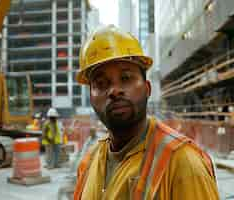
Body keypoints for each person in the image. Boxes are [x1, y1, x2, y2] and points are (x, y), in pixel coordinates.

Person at [73, 25, 220, 199]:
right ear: (91, 96)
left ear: (147, 89)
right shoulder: (88, 163)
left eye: (126, 78)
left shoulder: (182, 162)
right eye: (101, 83)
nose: (114, 90)